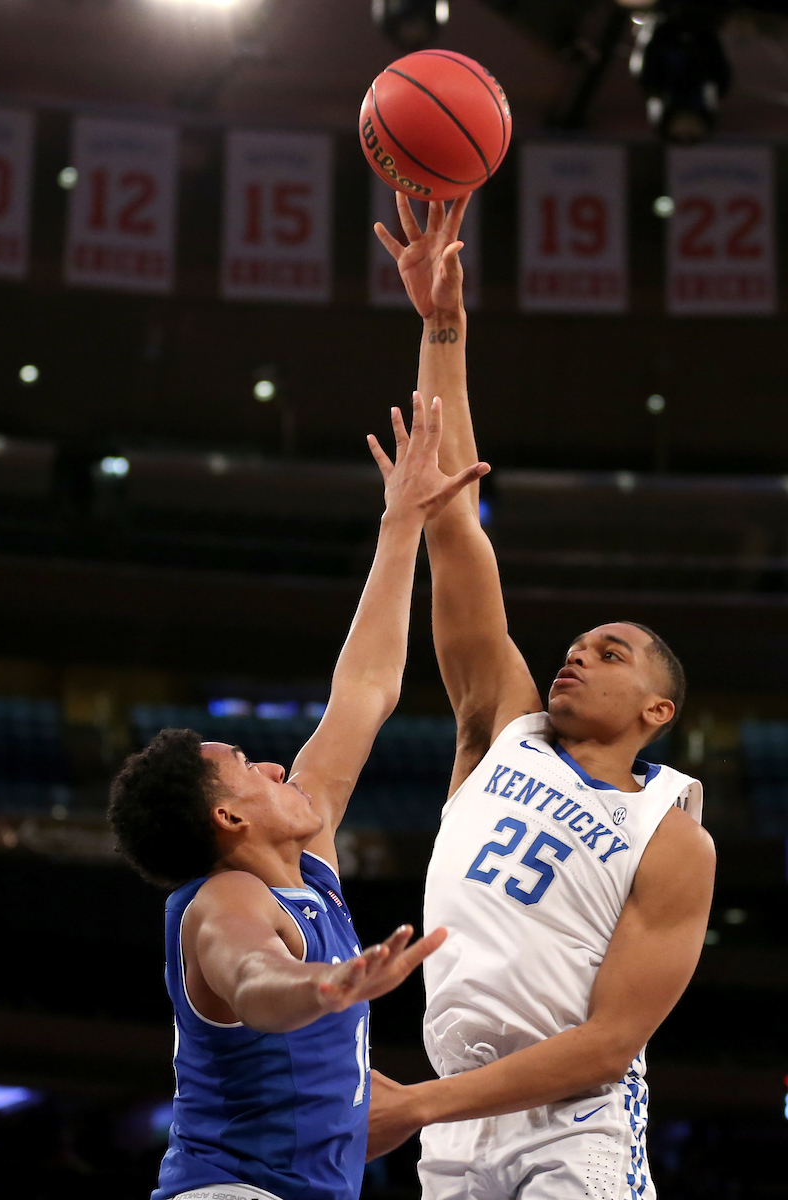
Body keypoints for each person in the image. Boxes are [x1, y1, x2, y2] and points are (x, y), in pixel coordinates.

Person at [368, 195, 716, 1200]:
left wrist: (413, 1105)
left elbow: (608, 1044)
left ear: (659, 709)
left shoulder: (672, 833)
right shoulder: (500, 730)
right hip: (458, 1118)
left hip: (577, 1127)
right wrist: (443, 326)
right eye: (573, 646)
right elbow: (452, 523)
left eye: (610, 654)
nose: (575, 659)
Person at [108, 394, 489, 1200]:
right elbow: (252, 980)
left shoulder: (302, 856)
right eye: (249, 765)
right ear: (229, 816)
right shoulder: (224, 901)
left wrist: (400, 526)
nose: (279, 768)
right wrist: (323, 987)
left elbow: (366, 689)